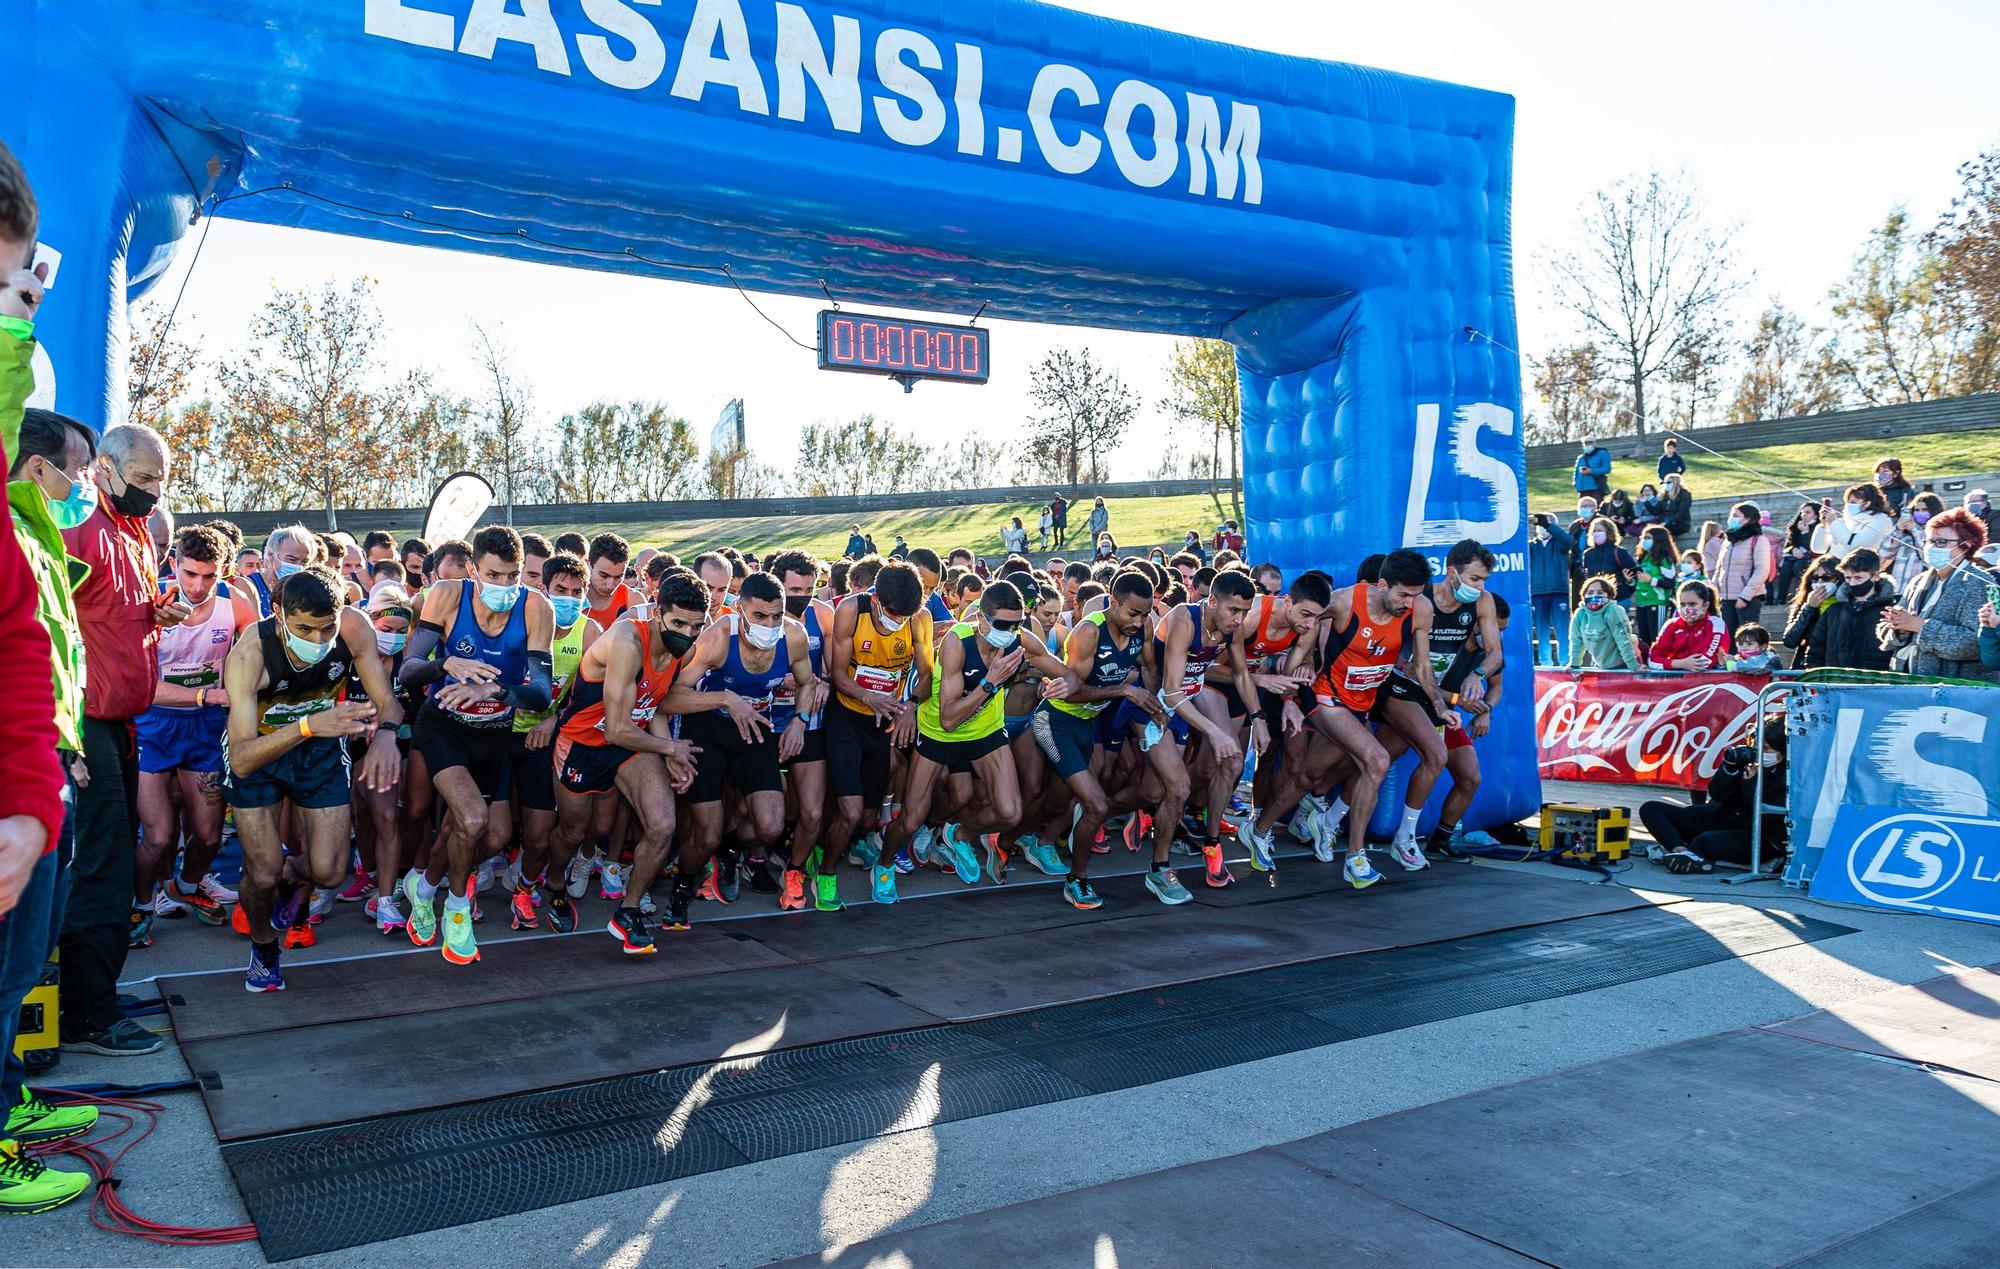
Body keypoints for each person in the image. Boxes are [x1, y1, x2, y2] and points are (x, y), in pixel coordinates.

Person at [1, 170, 100, 1210]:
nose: (80, 490)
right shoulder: (16, 501)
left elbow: (34, 654)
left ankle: (7, 1097)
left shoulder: (36, 541)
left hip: (46, 768)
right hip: (20, 780)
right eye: (70, 472)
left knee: (25, 959)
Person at [58, 422, 188, 1056]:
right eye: (143, 480)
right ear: (103, 470)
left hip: (120, 719)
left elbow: (111, 615)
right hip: (85, 721)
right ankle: (86, 1013)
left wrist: (156, 613)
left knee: (113, 857)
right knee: (104, 867)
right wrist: (63, 734)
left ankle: (96, 994)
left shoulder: (134, 533)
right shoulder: (82, 530)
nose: (153, 493)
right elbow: (45, 623)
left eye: (161, 482)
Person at [221, 566, 405, 991]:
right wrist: (307, 726)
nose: (319, 640)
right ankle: (265, 947)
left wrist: (385, 738)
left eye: (327, 628)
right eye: (305, 628)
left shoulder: (356, 628)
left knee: (329, 872)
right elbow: (244, 759)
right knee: (260, 873)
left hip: (320, 748)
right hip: (260, 749)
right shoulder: (250, 655)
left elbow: (388, 700)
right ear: (280, 613)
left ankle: (289, 872)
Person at [397, 526, 554, 965]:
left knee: (467, 830)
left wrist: (497, 692)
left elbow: (541, 693)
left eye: (513, 576)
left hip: (494, 729)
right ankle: (458, 910)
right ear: (473, 569)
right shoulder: (447, 595)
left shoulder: (536, 607)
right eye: (494, 575)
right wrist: (444, 662)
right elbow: (407, 671)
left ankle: (424, 886)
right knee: (471, 816)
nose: (505, 586)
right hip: (444, 724)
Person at [876, 580, 1075, 904]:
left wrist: (1061, 686)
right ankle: (883, 865)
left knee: (1010, 812)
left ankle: (961, 834)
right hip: (941, 734)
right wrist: (990, 682)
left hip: (986, 731)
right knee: (912, 818)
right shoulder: (958, 641)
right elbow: (949, 718)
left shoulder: (1021, 640)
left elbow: (1068, 674)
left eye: (1016, 624)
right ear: (981, 618)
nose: (1009, 632)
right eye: (1001, 625)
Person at [546, 574, 705, 947]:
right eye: (678, 623)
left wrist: (671, 755)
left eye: (696, 626)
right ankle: (554, 884)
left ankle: (627, 911)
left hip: (631, 742)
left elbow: (655, 706)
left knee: (662, 824)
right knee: (574, 830)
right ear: (657, 612)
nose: (687, 633)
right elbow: (616, 728)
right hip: (585, 740)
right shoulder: (628, 639)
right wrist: (671, 750)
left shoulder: (687, 649)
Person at [664, 571, 823, 908]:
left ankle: (729, 851)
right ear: (740, 610)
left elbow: (808, 683)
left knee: (770, 827)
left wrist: (799, 721)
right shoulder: (718, 637)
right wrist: (725, 698)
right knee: (705, 833)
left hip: (755, 727)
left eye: (777, 615)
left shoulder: (793, 636)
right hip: (708, 727)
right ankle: (683, 884)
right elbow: (669, 698)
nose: (770, 623)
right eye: (760, 616)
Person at [130, 525, 256, 941]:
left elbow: (257, 660)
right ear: (174, 565)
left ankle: (185, 885)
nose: (198, 586)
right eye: (189, 574)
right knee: (159, 835)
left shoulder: (236, 603)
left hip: (205, 729)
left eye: (209, 576)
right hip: (154, 725)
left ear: (225, 571)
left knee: (207, 836)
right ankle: (141, 905)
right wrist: (208, 694)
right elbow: (140, 684)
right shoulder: (153, 602)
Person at [1299, 550, 1433, 888]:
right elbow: (1302, 620)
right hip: (1326, 695)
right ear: (1382, 585)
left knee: (1316, 774)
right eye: (1403, 594)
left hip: (1363, 701)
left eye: (1416, 595)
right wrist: (1291, 667)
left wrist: (1440, 705)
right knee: (1374, 760)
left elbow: (1422, 666)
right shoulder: (1344, 601)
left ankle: (1314, 823)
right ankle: (1351, 851)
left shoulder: (1419, 610)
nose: (1408, 602)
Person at [503, 551, 601, 932]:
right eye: (561, 589)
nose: (570, 598)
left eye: (578, 591)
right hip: (498, 733)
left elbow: (590, 694)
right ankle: (464, 886)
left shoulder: (589, 632)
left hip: (543, 738)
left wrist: (554, 721)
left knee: (540, 833)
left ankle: (524, 890)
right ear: (542, 589)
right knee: (490, 828)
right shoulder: (522, 620)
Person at [824, 560, 933, 878]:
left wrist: (911, 705)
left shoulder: (918, 619)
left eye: (905, 616)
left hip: (882, 720)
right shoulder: (851, 609)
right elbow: (837, 674)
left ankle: (853, 842)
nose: (898, 621)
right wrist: (868, 696)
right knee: (850, 810)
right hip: (846, 714)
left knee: (868, 814)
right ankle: (827, 872)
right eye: (893, 614)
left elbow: (927, 675)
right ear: (876, 600)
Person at [1637, 718, 1787, 872]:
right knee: (1651, 809)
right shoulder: (1746, 759)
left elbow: (1765, 819)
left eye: (1766, 748)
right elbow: (1717, 794)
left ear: (1782, 752)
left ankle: (1687, 854)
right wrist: (1729, 769)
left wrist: (1750, 784)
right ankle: (1682, 852)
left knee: (1706, 841)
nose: (1759, 752)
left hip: (1757, 835)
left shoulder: (1788, 776)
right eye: (1756, 745)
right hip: (1724, 818)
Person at [1879, 508, 1995, 681]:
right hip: (1907, 680)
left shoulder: (1980, 583)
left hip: (1956, 690)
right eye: (1929, 541)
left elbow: (1976, 644)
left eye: (1941, 542)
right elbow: (1885, 631)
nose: (1931, 547)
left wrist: (1921, 627)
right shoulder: (1918, 581)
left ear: (1966, 545)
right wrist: (1899, 629)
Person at [1710, 501, 1773, 631]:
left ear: (1748, 519)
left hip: (1747, 599)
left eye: (1736, 515)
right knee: (1728, 640)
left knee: (1747, 638)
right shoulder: (1727, 541)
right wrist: (1715, 590)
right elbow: (1719, 568)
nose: (1731, 518)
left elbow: (1762, 570)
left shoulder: (1759, 540)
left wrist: (1745, 596)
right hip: (1726, 598)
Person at [1779, 555, 1845, 671]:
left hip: (1835, 668)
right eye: (1815, 578)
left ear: (1839, 579)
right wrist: (1809, 608)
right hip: (1807, 667)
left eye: (1826, 578)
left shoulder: (1847, 605)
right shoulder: (1805, 604)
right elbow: (1790, 640)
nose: (1819, 582)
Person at [1647, 580, 1729, 671]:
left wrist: (1672, 663)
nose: (1687, 609)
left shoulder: (1716, 624)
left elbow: (1705, 663)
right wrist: (1682, 663)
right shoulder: (1671, 624)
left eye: (1692, 604)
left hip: (1707, 681)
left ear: (1705, 605)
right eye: (1682, 604)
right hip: (1674, 680)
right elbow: (1652, 660)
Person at [1529, 512, 1576, 665]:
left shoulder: (1559, 544)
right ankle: (1546, 663)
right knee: (1542, 630)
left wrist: (1548, 526)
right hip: (1537, 593)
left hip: (1558, 592)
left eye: (1547, 525)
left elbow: (1569, 542)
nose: (1543, 528)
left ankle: (1565, 661)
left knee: (1562, 630)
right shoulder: (1530, 546)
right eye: (1541, 525)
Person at [1569, 576, 1641, 670]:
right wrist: (1574, 664)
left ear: (1609, 595)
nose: (1594, 595)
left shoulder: (1613, 610)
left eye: (1600, 592)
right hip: (1600, 665)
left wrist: (1633, 666)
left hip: (1623, 665)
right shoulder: (1580, 614)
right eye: (1590, 593)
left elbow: (1623, 639)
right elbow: (1576, 641)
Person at [1812, 484, 1892, 557]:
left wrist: (1834, 522)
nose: (1849, 505)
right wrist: (1825, 526)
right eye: (1847, 502)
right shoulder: (1845, 522)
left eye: (1854, 502)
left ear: (1867, 503)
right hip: (1835, 567)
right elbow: (1819, 549)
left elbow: (1855, 544)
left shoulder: (1880, 521)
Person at [1630, 525, 1677, 645]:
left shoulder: (1664, 559)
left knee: (1655, 638)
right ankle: (1646, 662)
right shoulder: (1643, 558)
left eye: (1648, 537)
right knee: (1644, 639)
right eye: (1643, 537)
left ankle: (1656, 662)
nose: (1644, 540)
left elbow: (1670, 583)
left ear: (1658, 540)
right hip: (1641, 603)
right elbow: (1639, 581)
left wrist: (1651, 580)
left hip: (1657, 603)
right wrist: (1629, 579)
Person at [1579, 516, 1638, 603]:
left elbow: (1634, 575)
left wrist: (1629, 581)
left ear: (1609, 532)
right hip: (1596, 600)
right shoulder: (1588, 554)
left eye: (1599, 530)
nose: (1596, 533)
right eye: (1594, 531)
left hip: (1619, 598)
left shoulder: (1620, 552)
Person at [1776, 503, 1821, 613]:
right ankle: (1781, 598)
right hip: (1795, 557)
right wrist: (1793, 549)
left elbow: (1813, 547)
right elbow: (1788, 546)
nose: (1804, 514)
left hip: (1811, 558)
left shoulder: (1818, 527)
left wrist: (1805, 532)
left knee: (1798, 567)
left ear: (1815, 516)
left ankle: (1803, 594)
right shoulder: (1795, 526)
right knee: (1786, 568)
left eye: (1808, 512)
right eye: (1803, 512)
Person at [1657, 471, 1692, 537]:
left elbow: (1681, 513)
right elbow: (1657, 511)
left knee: (1661, 531)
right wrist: (1647, 502)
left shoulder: (1684, 495)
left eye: (1669, 482)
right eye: (1665, 482)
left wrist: (1667, 522)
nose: (1666, 484)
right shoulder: (1664, 496)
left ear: (1676, 483)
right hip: (1666, 522)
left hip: (1681, 524)